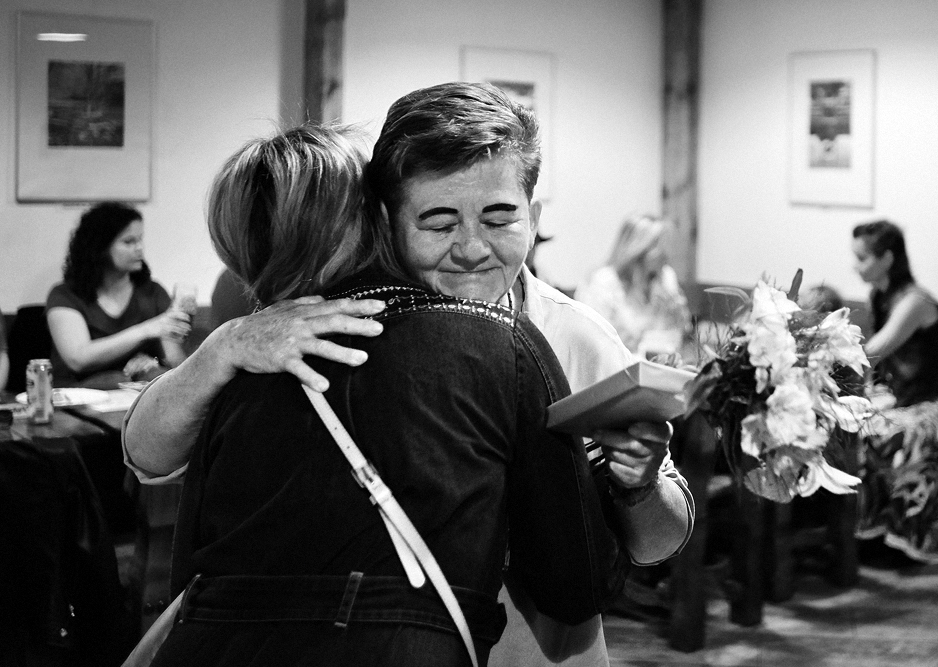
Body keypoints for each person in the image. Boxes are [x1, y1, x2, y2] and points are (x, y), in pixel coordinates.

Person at [124, 82, 694, 666]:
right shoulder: (317, 332)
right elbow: (147, 455)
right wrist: (222, 346)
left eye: (500, 219)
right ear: (388, 222)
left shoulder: (572, 334)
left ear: (533, 218)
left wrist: (640, 483)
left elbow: (657, 544)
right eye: (439, 223)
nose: (472, 249)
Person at [852, 219, 938, 564]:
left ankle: (906, 538)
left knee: (893, 433)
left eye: (862, 258)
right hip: (908, 396)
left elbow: (872, 352)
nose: (855, 266)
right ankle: (870, 531)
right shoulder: (880, 296)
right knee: (854, 427)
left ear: (887, 258)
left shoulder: (915, 302)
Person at [46, 202, 191, 388]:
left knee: (156, 377)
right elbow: (78, 359)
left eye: (140, 240)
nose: (139, 248)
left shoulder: (153, 292)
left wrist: (154, 362)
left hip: (135, 393)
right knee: (113, 380)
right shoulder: (65, 295)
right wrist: (145, 330)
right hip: (79, 395)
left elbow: (175, 363)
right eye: (129, 242)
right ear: (100, 247)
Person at [574, 214, 692, 360]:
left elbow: (682, 331)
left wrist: (678, 313)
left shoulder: (665, 277)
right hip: (617, 364)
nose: (667, 254)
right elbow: (592, 340)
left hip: (659, 363)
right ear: (639, 250)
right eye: (659, 246)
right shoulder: (603, 282)